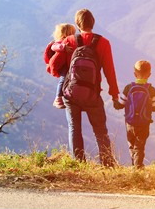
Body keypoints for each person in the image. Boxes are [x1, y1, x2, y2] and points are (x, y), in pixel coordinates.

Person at [50, 9, 119, 167]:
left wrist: (61, 71)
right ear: (93, 23)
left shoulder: (68, 41)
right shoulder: (103, 43)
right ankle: (107, 164)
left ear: (77, 24)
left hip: (71, 94)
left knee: (74, 128)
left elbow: (53, 65)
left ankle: (79, 164)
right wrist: (114, 94)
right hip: (92, 94)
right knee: (100, 130)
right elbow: (110, 71)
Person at [114, 60, 155, 168]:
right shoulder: (151, 90)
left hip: (130, 123)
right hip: (144, 123)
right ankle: (138, 166)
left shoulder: (128, 88)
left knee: (131, 144)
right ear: (149, 74)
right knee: (140, 146)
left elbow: (119, 105)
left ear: (135, 74)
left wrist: (114, 100)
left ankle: (134, 165)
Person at [44, 23, 76, 109]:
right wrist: (63, 47)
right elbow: (53, 47)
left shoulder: (71, 42)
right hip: (63, 65)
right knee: (63, 79)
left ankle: (68, 95)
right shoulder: (60, 42)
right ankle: (58, 98)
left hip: (68, 63)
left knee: (69, 80)